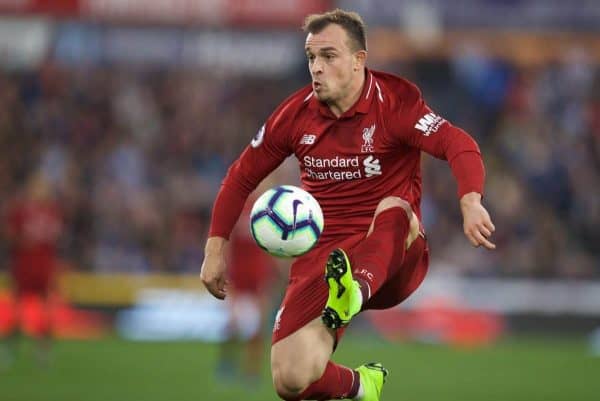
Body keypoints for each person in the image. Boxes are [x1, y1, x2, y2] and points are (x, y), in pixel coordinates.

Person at [201, 9, 495, 401]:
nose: (316, 69)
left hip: (394, 258)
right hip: (325, 256)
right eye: (311, 58)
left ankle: (354, 291)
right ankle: (362, 386)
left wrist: (471, 199)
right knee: (290, 379)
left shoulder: (396, 103)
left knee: (395, 206)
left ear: (359, 60)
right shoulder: (294, 116)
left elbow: (457, 142)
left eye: (328, 56)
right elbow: (241, 176)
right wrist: (214, 248)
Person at [216, 189, 279, 384]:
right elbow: (225, 242)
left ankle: (252, 372)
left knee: (259, 327)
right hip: (238, 277)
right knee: (233, 324)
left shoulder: (270, 211)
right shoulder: (238, 209)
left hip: (259, 277)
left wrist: (273, 274)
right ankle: (226, 364)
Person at [1, 173, 63, 367]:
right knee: (17, 308)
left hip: (42, 266)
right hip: (25, 265)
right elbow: (11, 235)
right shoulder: (23, 211)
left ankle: (42, 350)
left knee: (45, 308)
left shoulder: (50, 211)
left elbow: (54, 237)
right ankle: (11, 348)